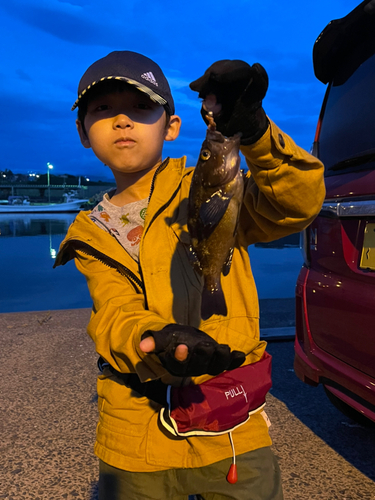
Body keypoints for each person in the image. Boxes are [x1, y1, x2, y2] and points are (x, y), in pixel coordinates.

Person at [54, 50, 325, 500]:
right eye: (103, 110)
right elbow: (114, 311)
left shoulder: (205, 185)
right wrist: (152, 338)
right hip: (134, 434)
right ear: (83, 133)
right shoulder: (90, 233)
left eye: (140, 107)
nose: (123, 121)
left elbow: (297, 204)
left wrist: (256, 134)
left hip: (231, 421)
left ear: (172, 126)